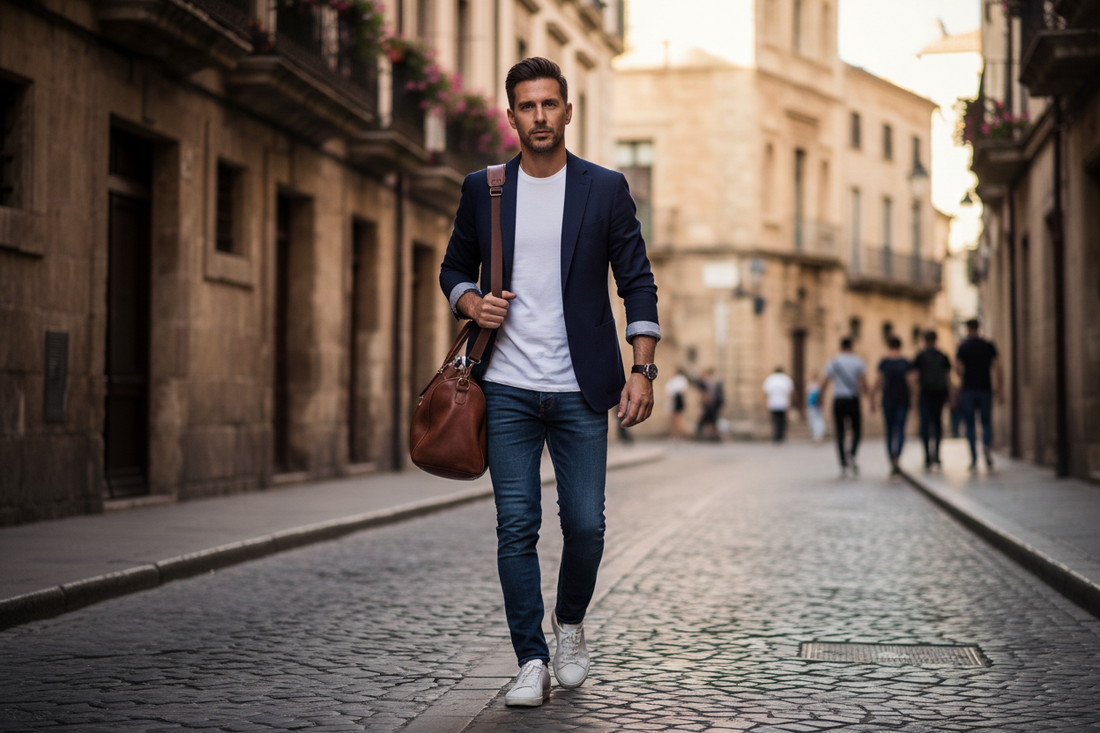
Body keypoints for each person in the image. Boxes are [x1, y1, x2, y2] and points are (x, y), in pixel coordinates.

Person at [439, 58, 660, 708]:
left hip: (581, 388)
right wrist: (470, 300)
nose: (539, 116)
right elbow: (454, 265)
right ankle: (530, 658)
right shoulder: (485, 188)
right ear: (511, 117)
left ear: (568, 111)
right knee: (516, 525)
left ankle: (568, 624)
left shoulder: (605, 188)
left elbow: (637, 279)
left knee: (586, 525)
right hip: (503, 385)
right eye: (526, 107)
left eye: (549, 105)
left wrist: (642, 368)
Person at [956, 318, 1003, 471]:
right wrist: (999, 388)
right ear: (978, 328)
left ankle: (974, 458)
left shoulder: (963, 347)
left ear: (968, 329)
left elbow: (957, 368)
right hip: (985, 389)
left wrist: (963, 377)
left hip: (968, 389)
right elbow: (997, 367)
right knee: (986, 422)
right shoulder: (988, 346)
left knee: (970, 425)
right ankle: (986, 447)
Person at [821, 337, 868, 476]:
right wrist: (868, 396)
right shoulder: (858, 361)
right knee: (857, 430)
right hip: (853, 399)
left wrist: (820, 397)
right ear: (851, 346)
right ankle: (852, 454)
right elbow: (863, 382)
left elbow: (825, 381)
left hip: (839, 399)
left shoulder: (833, 362)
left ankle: (843, 462)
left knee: (840, 432)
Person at [910, 330, 953, 470]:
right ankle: (937, 455)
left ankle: (928, 456)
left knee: (925, 425)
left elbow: (915, 377)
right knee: (937, 424)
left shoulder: (920, 356)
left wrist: (914, 396)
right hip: (939, 394)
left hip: (925, 395)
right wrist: (951, 395)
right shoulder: (942, 356)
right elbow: (948, 377)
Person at [871, 336, 912, 477]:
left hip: (888, 401)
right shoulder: (905, 362)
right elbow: (911, 382)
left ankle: (892, 459)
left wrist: (872, 398)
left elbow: (878, 381)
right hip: (902, 401)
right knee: (900, 430)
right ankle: (897, 458)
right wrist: (913, 398)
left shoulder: (884, 362)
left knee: (889, 432)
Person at [762, 366, 795, 443]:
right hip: (783, 403)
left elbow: (765, 392)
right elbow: (791, 391)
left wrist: (765, 404)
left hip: (773, 403)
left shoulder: (770, 379)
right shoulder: (786, 379)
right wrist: (791, 403)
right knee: (782, 421)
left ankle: (776, 437)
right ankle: (781, 437)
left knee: (775, 421)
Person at [695, 368, 724, 441]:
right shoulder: (705, 384)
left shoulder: (717, 385)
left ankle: (715, 437)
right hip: (707, 407)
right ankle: (701, 436)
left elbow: (720, 396)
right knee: (703, 422)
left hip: (714, 406)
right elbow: (698, 385)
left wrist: (721, 406)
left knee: (714, 422)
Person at [664, 367, 690, 439]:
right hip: (673, 401)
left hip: (677, 401)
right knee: (673, 420)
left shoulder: (681, 380)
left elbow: (681, 392)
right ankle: (675, 435)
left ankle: (681, 435)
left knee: (678, 420)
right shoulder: (673, 381)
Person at [806, 372, 826, 442]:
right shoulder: (816, 385)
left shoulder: (813, 385)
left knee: (816, 420)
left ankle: (817, 434)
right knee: (817, 420)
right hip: (814, 405)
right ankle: (817, 434)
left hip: (813, 405)